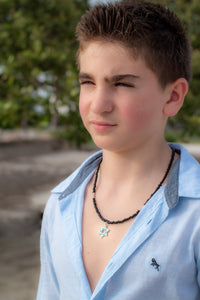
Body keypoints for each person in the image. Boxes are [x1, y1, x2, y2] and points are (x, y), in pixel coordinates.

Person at [37, 1, 200, 299]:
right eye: (88, 82)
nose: (98, 105)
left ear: (174, 96)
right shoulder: (61, 203)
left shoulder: (195, 216)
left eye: (122, 84)